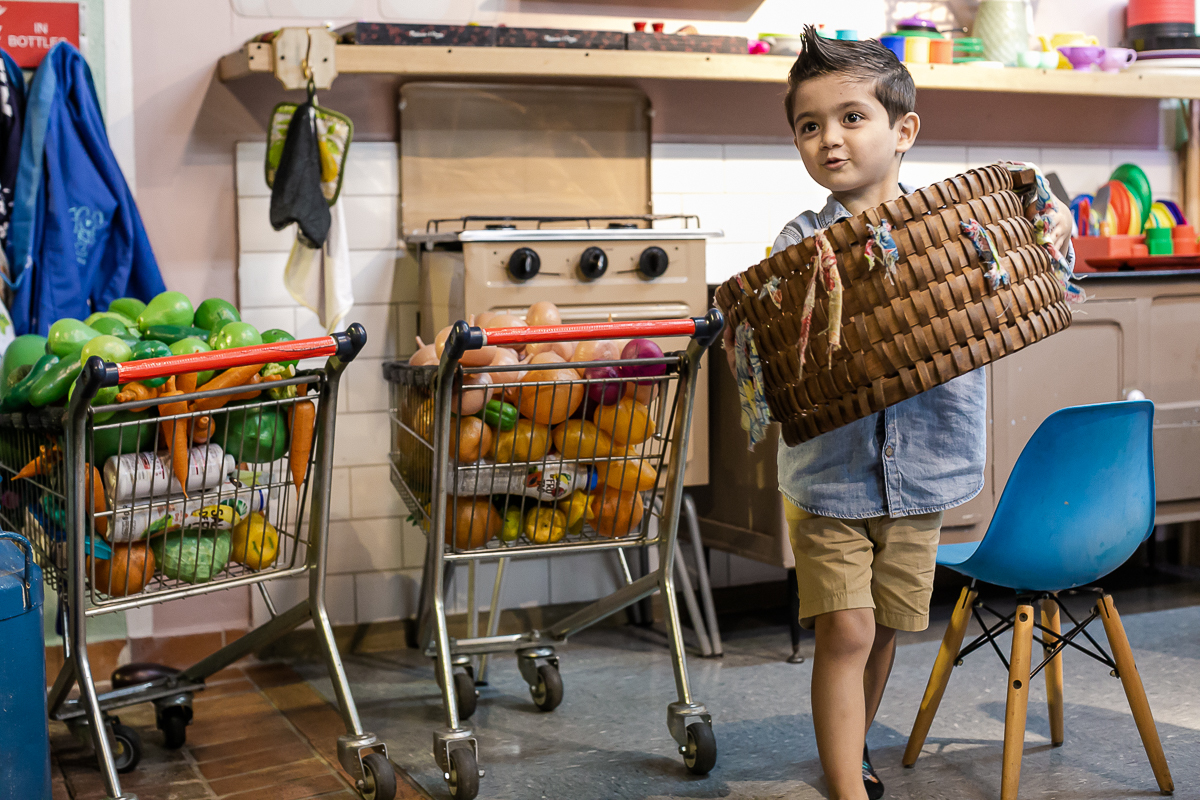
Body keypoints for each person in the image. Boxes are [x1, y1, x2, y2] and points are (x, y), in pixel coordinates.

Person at [720, 27, 1074, 800]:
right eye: (809, 126)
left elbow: (1020, 275)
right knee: (844, 629)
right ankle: (845, 787)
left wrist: (1050, 232)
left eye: (851, 118)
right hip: (828, 480)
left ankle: (854, 752)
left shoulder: (960, 234)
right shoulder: (803, 242)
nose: (829, 140)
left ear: (903, 130)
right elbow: (782, 334)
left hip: (926, 473)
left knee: (883, 629)